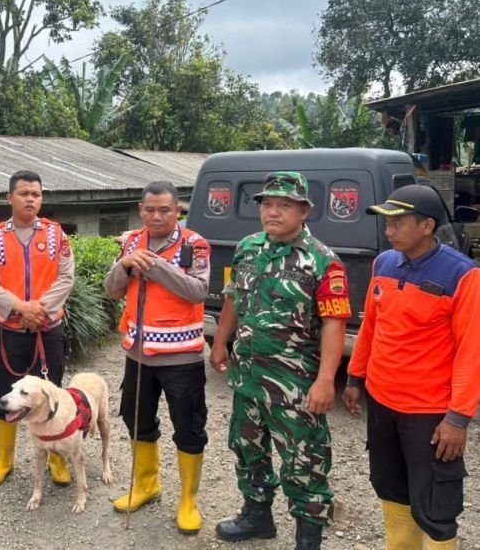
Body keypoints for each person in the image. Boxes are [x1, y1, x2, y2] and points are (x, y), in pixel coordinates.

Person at [209, 171, 350, 550]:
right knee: (247, 448)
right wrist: (220, 343)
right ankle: (257, 516)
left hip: (295, 385)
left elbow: (335, 325)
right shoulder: (248, 248)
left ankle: (308, 538)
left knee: (304, 460)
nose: (273, 211)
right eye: (267, 204)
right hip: (248, 378)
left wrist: (325, 381)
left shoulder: (323, 261)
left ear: (304, 210)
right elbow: (232, 299)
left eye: (283, 205)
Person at [342, 185, 480, 549]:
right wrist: (356, 377)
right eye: (387, 221)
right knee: (392, 491)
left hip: (430, 414)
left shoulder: (463, 275)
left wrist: (458, 418)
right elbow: (371, 326)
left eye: (398, 222)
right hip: (383, 403)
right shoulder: (384, 263)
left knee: (435, 505)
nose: (389, 230)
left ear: (427, 226)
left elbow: (472, 351)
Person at [102, 180, 212, 535]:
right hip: (138, 353)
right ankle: (147, 484)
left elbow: (197, 290)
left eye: (165, 210)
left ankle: (188, 500)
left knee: (189, 427)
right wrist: (125, 265)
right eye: (150, 209)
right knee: (136, 421)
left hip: (181, 357)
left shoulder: (194, 244)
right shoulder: (131, 241)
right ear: (140, 209)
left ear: (177, 210)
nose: (157, 216)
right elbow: (112, 289)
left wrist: (154, 265)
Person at [0, 170, 75, 487]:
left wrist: (39, 310)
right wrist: (21, 308)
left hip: (48, 328)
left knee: (51, 393)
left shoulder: (56, 234)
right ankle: (4, 460)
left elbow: (65, 277)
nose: (30, 198)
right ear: (10, 197)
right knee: (4, 396)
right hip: (8, 332)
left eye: (36, 193)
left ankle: (56, 460)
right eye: (23, 193)